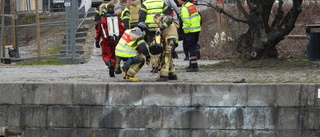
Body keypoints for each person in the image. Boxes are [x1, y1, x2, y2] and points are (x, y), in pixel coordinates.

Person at [139, 0, 171, 73]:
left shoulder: (145, 3)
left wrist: (142, 29)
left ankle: (155, 67)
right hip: (160, 28)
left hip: (150, 29)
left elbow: (142, 17)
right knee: (162, 46)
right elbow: (167, 15)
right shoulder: (161, 2)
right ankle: (162, 64)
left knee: (153, 47)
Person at [95, 4, 125, 77]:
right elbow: (122, 29)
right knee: (114, 55)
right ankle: (113, 67)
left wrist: (97, 41)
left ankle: (109, 65)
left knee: (106, 55)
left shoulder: (102, 19)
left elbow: (98, 31)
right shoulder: (117, 18)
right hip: (116, 40)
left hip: (105, 40)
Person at [153, 14, 179, 81]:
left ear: (157, 17)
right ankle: (172, 74)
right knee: (169, 56)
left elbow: (169, 21)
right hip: (172, 39)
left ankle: (163, 76)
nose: (156, 23)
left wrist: (160, 28)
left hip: (169, 39)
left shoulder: (164, 18)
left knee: (166, 56)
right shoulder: (165, 24)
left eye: (155, 20)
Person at [177, 0, 201, 72]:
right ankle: (192, 64)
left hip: (189, 31)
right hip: (196, 29)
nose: (177, 1)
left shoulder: (185, 8)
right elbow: (199, 17)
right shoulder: (191, 5)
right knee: (193, 47)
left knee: (191, 48)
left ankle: (193, 66)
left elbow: (186, 21)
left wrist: (185, 31)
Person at [114, 0, 132, 74]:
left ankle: (117, 68)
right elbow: (126, 22)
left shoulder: (116, 8)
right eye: (128, 2)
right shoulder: (126, 10)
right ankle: (126, 67)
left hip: (117, 32)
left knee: (118, 50)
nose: (130, 3)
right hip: (123, 33)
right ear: (124, 2)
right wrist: (128, 33)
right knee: (126, 50)